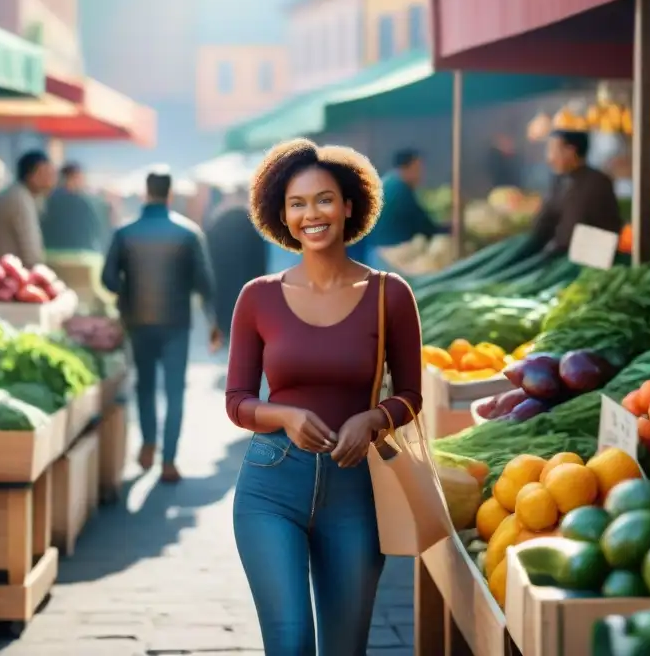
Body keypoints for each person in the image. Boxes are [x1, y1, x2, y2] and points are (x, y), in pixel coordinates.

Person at [225, 139, 423, 656]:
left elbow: (411, 395)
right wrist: (283, 414)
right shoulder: (258, 296)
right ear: (281, 214)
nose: (311, 214)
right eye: (297, 203)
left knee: (345, 648)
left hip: (356, 491)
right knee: (289, 644)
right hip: (270, 486)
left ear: (350, 205)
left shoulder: (390, 294)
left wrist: (375, 419)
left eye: (324, 199)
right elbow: (237, 401)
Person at [101, 168, 220, 483]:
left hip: (138, 321)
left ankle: (147, 443)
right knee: (175, 390)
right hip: (176, 322)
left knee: (145, 385)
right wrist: (213, 322)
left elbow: (108, 279)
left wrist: (129, 289)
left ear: (146, 192)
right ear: (170, 194)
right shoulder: (189, 232)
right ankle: (169, 460)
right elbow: (205, 283)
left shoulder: (124, 233)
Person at [527, 130, 622, 253]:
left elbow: (572, 229)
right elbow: (544, 222)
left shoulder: (596, 183)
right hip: (560, 256)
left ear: (571, 151)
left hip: (588, 260)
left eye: (553, 151)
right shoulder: (560, 180)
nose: (549, 159)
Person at [204, 185, 267, 339]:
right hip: (246, 284)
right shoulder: (253, 226)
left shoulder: (216, 223)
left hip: (222, 285)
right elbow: (260, 260)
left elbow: (209, 257)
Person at [0, 150, 56, 266]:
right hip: (8, 273)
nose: (50, 180)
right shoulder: (20, 199)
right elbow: (31, 253)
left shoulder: (15, 194)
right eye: (45, 173)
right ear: (31, 175)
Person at [367, 149, 440, 252]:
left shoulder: (390, 182)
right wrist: (448, 229)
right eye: (417, 169)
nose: (420, 174)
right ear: (406, 168)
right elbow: (423, 225)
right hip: (390, 251)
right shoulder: (400, 190)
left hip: (376, 250)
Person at [40, 162, 108, 253]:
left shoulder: (48, 200)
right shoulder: (84, 203)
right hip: (81, 257)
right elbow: (96, 230)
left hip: (51, 255)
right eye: (79, 178)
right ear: (68, 179)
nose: (82, 182)